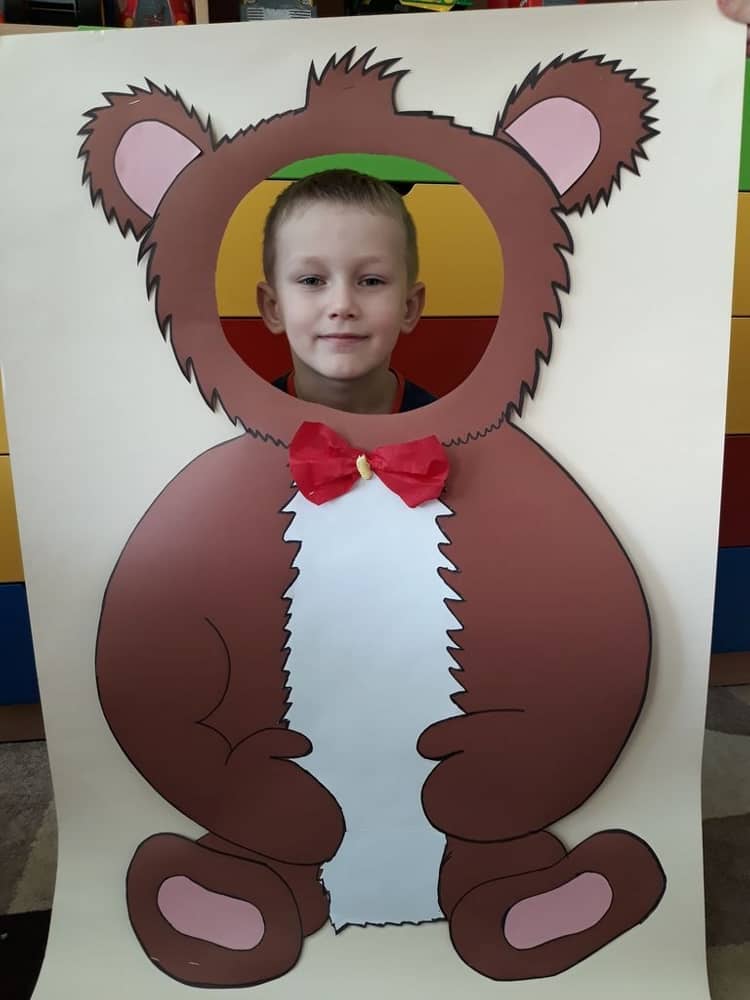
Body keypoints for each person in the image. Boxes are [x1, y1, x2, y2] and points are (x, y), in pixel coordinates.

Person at [257, 169, 437, 415]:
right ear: (273, 308)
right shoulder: (234, 428)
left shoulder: (452, 430)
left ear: (409, 307)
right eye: (312, 280)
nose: (342, 305)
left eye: (371, 281)